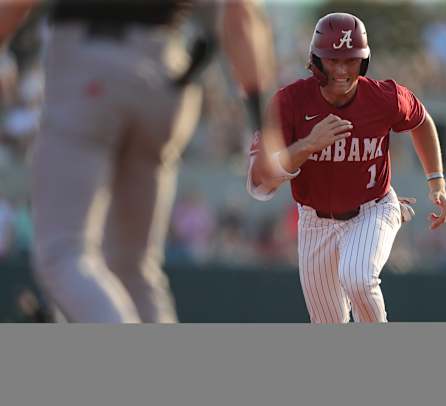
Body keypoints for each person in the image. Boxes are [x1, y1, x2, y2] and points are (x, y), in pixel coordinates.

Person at [0, 0, 284, 322]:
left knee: (63, 254)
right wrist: (264, 128)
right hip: (167, 73)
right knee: (132, 266)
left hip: (90, 61)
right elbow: (241, 15)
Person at [247, 12, 446, 323]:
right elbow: (258, 179)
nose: (342, 70)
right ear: (315, 61)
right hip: (314, 222)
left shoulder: (385, 98)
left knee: (358, 277)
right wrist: (308, 145)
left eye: (351, 60)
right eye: (333, 60)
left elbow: (421, 121)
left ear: (364, 61)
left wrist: (436, 182)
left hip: (372, 209)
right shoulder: (289, 103)